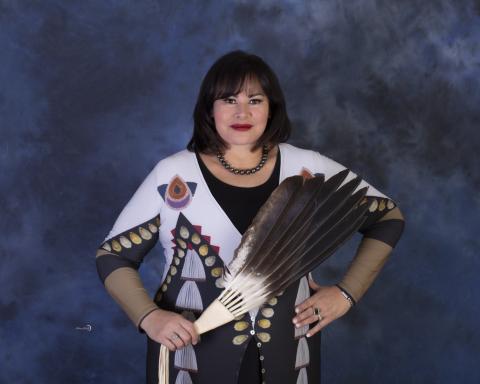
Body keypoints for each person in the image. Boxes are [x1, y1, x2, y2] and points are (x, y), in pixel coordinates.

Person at [96, 50, 405, 384]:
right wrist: (150, 317)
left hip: (289, 354)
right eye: (229, 99)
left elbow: (388, 217)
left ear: (271, 107)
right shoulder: (174, 174)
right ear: (209, 108)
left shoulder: (308, 167)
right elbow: (113, 256)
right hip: (192, 355)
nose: (242, 112)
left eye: (255, 100)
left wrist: (346, 294)